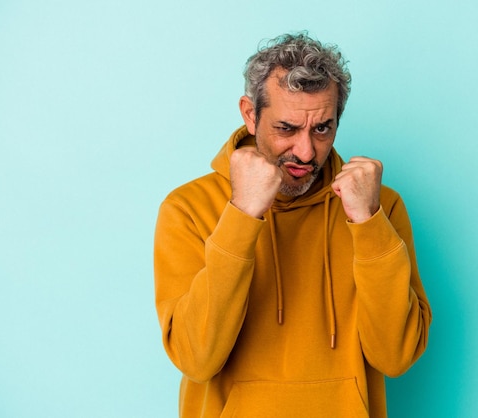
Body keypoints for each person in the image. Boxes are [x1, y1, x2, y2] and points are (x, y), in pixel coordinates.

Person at [154, 32, 432, 418]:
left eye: (322, 129)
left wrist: (368, 223)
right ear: (251, 115)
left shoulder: (379, 206)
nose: (305, 152)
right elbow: (196, 359)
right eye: (286, 128)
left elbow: (396, 357)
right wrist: (242, 214)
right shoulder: (188, 208)